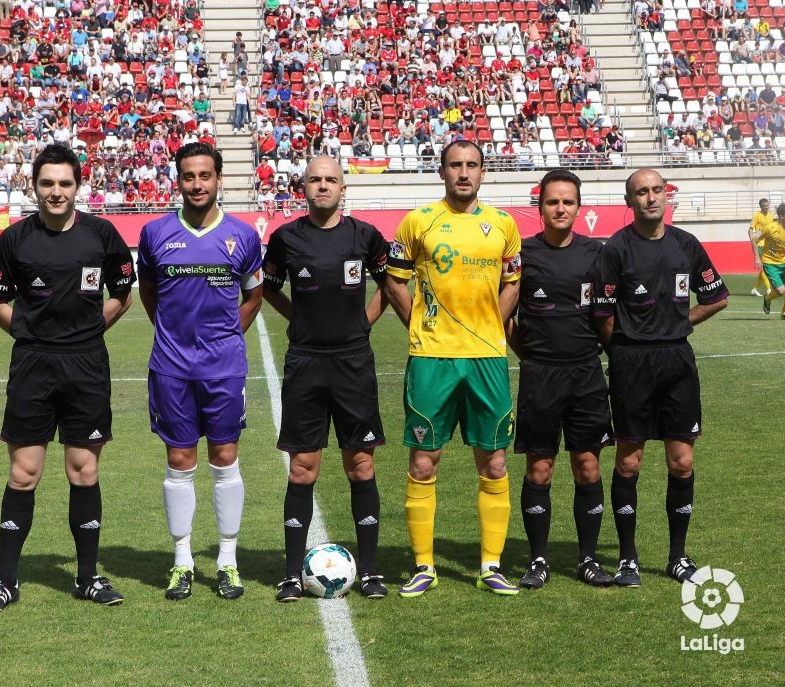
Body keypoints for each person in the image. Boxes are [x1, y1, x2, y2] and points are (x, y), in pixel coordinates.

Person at [0, 144, 135, 612]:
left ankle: (88, 577)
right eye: (47, 183)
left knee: (84, 471)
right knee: (24, 473)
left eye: (65, 183)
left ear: (78, 185)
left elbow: (123, 296)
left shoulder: (102, 235)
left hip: (86, 366)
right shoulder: (15, 238)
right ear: (34, 186)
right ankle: (5, 581)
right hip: (33, 366)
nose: (56, 191)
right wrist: (28, 333)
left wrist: (87, 332)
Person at [384, 140, 522, 598]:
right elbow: (394, 281)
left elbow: (513, 285)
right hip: (431, 360)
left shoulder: (504, 225)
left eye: (472, 166)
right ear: (441, 172)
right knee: (424, 463)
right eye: (455, 165)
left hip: (487, 360)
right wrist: (417, 325)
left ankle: (490, 565)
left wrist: (489, 331)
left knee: (495, 460)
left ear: (484, 172)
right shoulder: (417, 221)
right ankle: (424, 566)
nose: (464, 173)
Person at [137, 142, 263, 601]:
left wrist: (227, 337)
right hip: (171, 368)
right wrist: (172, 335)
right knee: (179, 461)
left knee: (225, 457)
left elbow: (253, 296)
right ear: (179, 180)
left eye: (205, 176)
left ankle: (227, 561)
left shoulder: (243, 236)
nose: (197, 184)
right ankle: (182, 561)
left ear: (219, 179)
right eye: (188, 176)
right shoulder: (154, 233)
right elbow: (149, 292)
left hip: (224, 368)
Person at [592, 168, 729, 588]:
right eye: (641, 192)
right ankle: (628, 559)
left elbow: (717, 297)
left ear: (666, 195)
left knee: (682, 461)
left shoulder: (686, 244)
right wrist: (630, 343)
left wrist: (678, 325)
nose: (651, 198)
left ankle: (677, 557)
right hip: (632, 363)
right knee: (629, 460)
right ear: (629, 201)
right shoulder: (615, 249)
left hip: (677, 362)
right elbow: (603, 315)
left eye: (656, 190)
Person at [263, 156, 391, 602]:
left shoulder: (365, 236)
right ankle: (290, 575)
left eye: (330, 180)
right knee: (303, 467)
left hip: (353, 362)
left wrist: (364, 324)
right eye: (315, 179)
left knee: (361, 464)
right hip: (306, 363)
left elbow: (388, 286)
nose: (323, 186)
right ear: (303, 187)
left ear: (343, 188)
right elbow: (269, 287)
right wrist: (297, 319)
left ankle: (372, 571)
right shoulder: (285, 238)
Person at [507, 170, 614, 590]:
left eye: (568, 201)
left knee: (588, 466)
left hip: (587, 374)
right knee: (540, 469)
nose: (560, 208)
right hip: (540, 377)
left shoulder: (597, 253)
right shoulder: (523, 254)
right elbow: (505, 316)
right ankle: (538, 561)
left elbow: (607, 315)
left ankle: (588, 559)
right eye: (553, 201)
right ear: (540, 207)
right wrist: (530, 357)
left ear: (579, 207)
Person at [759, 203, 785, 320]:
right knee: (781, 291)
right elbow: (755, 240)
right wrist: (756, 257)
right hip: (770, 263)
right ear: (781, 216)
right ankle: (767, 298)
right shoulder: (770, 228)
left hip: (784, 263)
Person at [748, 198, 774, 297]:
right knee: (764, 268)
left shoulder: (771, 216)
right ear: (761, 207)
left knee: (766, 267)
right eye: (764, 206)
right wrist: (752, 239)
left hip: (767, 244)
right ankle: (768, 289)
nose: (766, 207)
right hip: (759, 244)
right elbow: (750, 229)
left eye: (767, 205)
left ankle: (755, 289)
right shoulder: (757, 215)